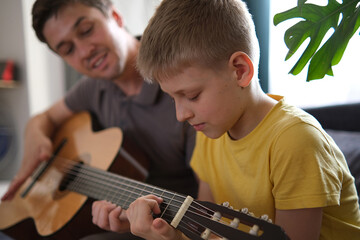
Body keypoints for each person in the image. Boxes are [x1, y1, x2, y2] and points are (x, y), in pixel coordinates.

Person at [91, 0, 360, 239]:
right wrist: (149, 226)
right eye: (173, 98)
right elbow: (206, 229)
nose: (181, 114)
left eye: (192, 95)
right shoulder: (210, 133)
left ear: (240, 71)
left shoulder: (295, 141)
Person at [1, 0, 198, 239]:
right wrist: (35, 139)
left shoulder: (184, 80)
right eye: (68, 49)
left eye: (86, 30)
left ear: (115, 16)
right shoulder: (93, 88)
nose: (84, 51)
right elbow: (44, 118)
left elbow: (211, 201)